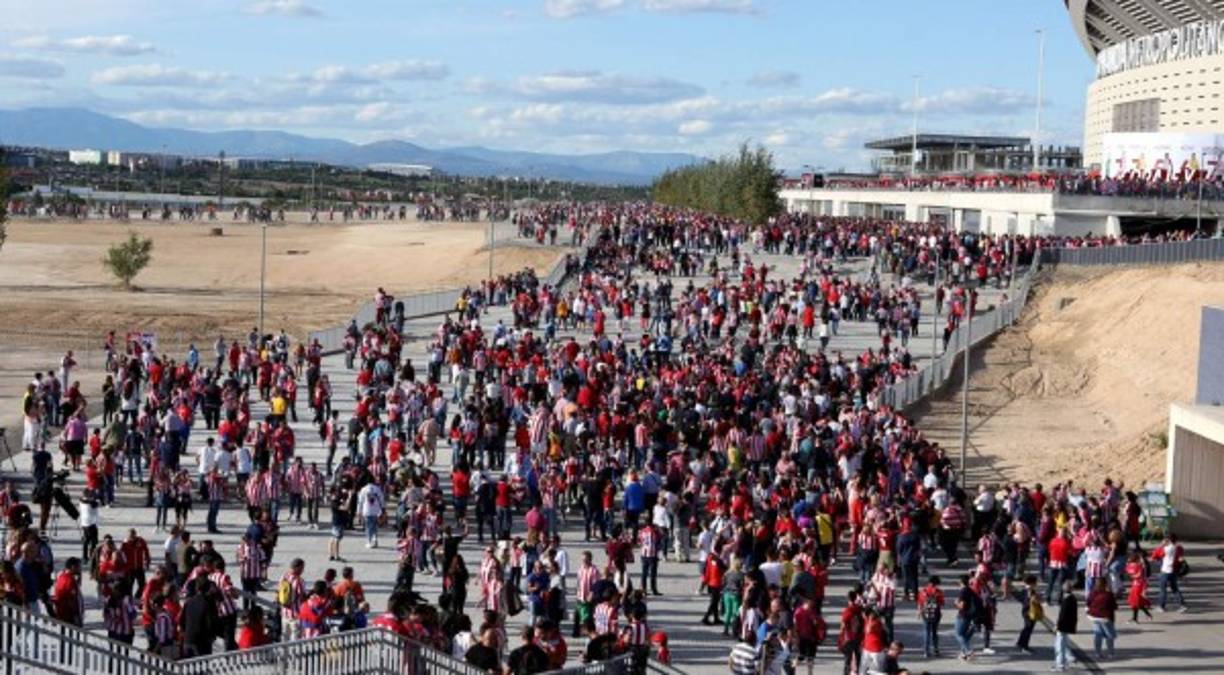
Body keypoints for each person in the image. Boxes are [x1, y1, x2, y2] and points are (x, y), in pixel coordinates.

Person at [1151, 534, 1188, 612]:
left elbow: (1154, 556)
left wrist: (1161, 545)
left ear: (1167, 540)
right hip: (1174, 571)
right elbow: (1180, 558)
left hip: (1165, 571)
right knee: (1175, 588)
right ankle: (1182, 605)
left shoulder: (1164, 548)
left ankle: (1161, 606)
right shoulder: (1179, 548)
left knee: (1163, 589)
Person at [1086, 577, 1117, 660]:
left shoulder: (1092, 593)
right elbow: (1114, 606)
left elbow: (1088, 603)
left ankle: (1097, 653)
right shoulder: (1108, 594)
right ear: (1105, 584)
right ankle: (1110, 653)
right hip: (1105, 618)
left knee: (1097, 635)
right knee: (1109, 636)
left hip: (1094, 617)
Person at [916, 575, 944, 658]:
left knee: (926, 632)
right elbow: (941, 603)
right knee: (935, 632)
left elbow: (920, 603)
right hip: (936, 614)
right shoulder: (939, 592)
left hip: (926, 613)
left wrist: (919, 612)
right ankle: (936, 649)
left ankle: (926, 651)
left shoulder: (923, 591)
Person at [1053, 581, 1077, 672]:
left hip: (1063, 626)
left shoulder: (1066, 600)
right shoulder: (1073, 598)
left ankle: (1060, 664)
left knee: (1059, 645)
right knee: (1063, 642)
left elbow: (1062, 616)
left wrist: (1057, 625)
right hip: (1069, 625)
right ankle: (1070, 657)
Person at [1015, 574, 1042, 654]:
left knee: (1026, 628)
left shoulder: (1025, 590)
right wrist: (1034, 599)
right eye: (1035, 583)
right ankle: (1024, 646)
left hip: (1026, 612)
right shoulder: (1029, 591)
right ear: (1031, 583)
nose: (1036, 584)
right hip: (1029, 612)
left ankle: (1020, 643)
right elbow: (1027, 602)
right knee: (1028, 629)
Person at [1125, 550, 1153, 622]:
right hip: (1136, 584)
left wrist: (1133, 575)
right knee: (1137, 602)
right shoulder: (1137, 565)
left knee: (1136, 602)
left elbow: (1138, 575)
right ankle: (1144, 615)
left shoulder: (1139, 566)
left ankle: (1135, 618)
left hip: (1139, 585)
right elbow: (1133, 574)